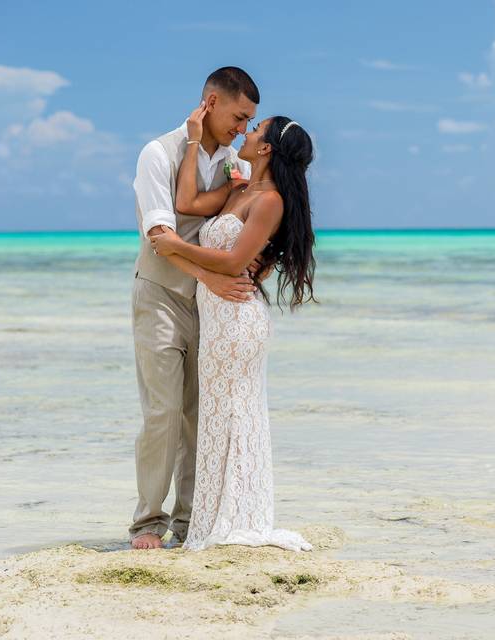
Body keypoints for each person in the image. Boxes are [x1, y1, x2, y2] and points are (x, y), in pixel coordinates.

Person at [150, 105, 317, 552]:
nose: (244, 132)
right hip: (217, 316)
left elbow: (232, 262)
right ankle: (214, 519)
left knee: (236, 414)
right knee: (218, 417)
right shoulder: (239, 188)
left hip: (239, 322)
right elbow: (185, 203)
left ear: (265, 148)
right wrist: (190, 140)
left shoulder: (270, 201)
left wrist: (176, 247)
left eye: (254, 129)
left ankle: (238, 517)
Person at [130, 66, 262, 551]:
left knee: (198, 414)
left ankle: (190, 522)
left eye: (250, 121)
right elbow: (162, 237)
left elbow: (247, 228)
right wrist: (211, 275)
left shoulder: (235, 163)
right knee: (163, 412)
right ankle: (147, 522)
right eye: (239, 116)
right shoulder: (157, 153)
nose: (243, 128)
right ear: (210, 101)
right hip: (161, 295)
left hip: (211, 306)